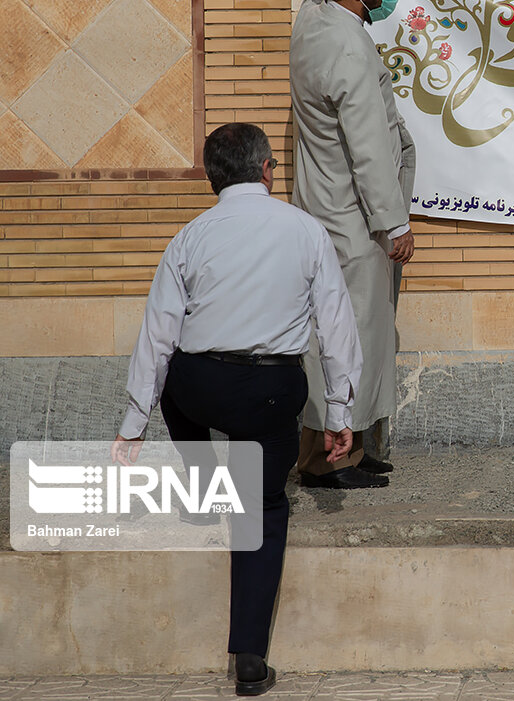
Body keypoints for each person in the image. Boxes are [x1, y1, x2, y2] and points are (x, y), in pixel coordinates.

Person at [111, 122, 362, 696]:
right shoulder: (306, 230)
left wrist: (133, 426)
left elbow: (157, 338)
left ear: (211, 178)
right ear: (268, 169)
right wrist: (340, 415)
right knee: (264, 508)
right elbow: (337, 329)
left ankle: (202, 491)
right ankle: (249, 658)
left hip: (200, 384)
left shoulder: (190, 237)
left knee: (174, 377)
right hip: (270, 392)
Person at [289, 0, 416, 489]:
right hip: (354, 220)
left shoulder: (315, 17)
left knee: (339, 335)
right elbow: (367, 151)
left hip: (324, 209)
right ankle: (325, 460)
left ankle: (353, 448)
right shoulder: (348, 50)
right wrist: (394, 226)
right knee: (350, 339)